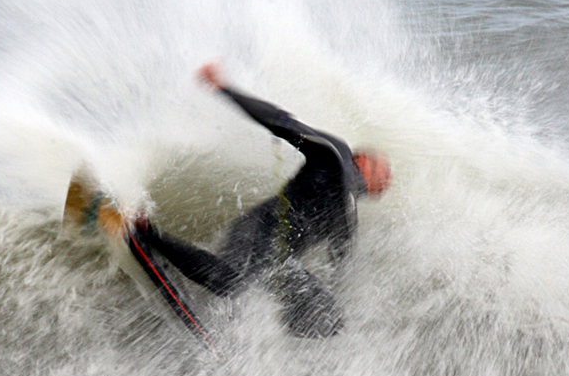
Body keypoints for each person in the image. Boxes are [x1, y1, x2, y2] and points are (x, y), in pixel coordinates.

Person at [135, 63, 390, 338]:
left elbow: (340, 265)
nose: (383, 183)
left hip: (280, 263)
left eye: (383, 185)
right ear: (360, 159)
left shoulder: (348, 215)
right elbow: (280, 121)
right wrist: (225, 89)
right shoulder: (333, 156)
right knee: (229, 281)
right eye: (380, 172)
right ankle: (147, 231)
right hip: (257, 230)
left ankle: (260, 333)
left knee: (332, 321)